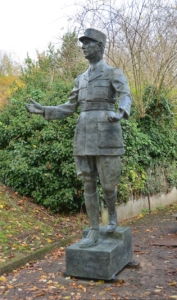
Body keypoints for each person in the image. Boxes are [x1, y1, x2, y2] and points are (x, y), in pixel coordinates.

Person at [26, 28, 132, 248]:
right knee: (88, 183)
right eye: (82, 43)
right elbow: (69, 106)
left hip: (108, 133)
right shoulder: (80, 79)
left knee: (109, 185)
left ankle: (112, 215)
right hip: (83, 135)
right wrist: (44, 110)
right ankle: (94, 229)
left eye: (88, 43)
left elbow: (125, 95)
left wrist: (121, 111)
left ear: (100, 46)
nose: (83, 47)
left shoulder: (113, 73)